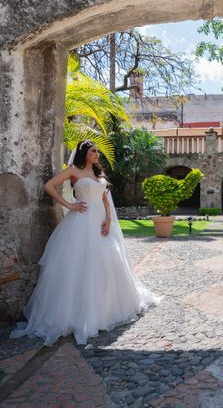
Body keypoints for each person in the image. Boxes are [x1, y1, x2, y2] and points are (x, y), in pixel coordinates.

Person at [11, 140, 158, 345]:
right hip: (81, 222)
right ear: (84, 153)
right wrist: (69, 205)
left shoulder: (99, 174)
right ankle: (78, 314)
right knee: (80, 265)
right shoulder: (73, 170)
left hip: (101, 222)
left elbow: (105, 197)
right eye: (93, 151)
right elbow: (49, 186)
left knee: (108, 261)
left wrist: (108, 219)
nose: (97, 154)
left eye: (97, 151)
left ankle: (107, 309)